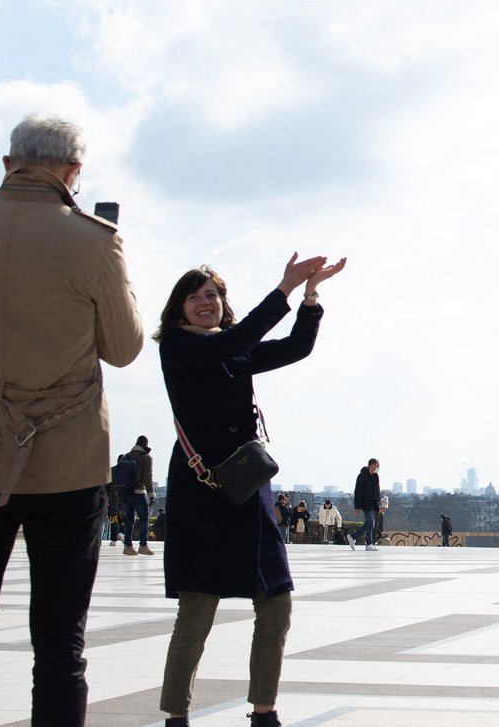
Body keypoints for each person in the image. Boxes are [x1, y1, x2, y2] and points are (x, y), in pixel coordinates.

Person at [0, 114, 144, 727]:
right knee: (59, 647)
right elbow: (122, 348)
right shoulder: (96, 240)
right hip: (65, 457)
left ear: (10, 163)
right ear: (73, 172)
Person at [157, 252, 346, 727]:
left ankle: (264, 710)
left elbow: (295, 348)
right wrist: (282, 286)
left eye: (213, 295)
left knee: (276, 597)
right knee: (197, 607)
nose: (206, 303)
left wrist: (309, 297)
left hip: (247, 483)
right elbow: (242, 338)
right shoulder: (179, 349)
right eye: (195, 297)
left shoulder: (231, 346)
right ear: (179, 309)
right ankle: (176, 715)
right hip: (202, 488)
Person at [127, 435, 155, 555]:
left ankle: (127, 547)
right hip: (138, 492)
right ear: (145, 445)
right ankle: (143, 546)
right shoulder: (146, 457)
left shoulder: (127, 456)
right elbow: (147, 477)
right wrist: (151, 494)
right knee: (144, 518)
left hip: (126, 493)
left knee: (129, 519)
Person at [353, 459, 382, 549]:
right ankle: (369, 543)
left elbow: (377, 491)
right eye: (378, 465)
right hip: (365, 504)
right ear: (372, 465)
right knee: (371, 522)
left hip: (373, 504)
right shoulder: (362, 476)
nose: (378, 468)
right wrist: (357, 506)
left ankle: (352, 537)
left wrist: (378, 505)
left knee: (369, 523)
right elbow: (358, 491)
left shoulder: (376, 476)